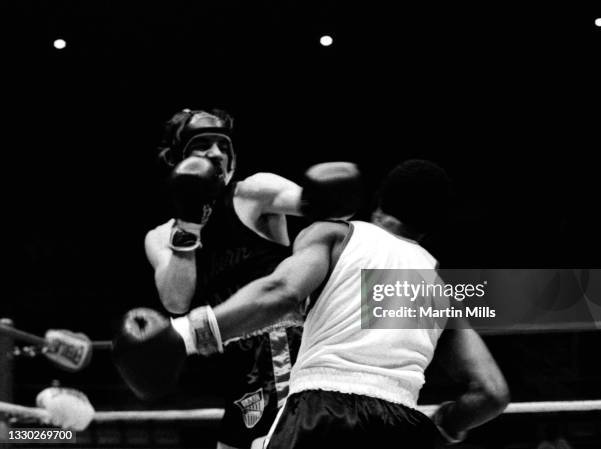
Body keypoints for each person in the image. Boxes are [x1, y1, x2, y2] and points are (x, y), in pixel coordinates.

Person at [120, 159, 508, 448]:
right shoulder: (437, 288)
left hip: (322, 413)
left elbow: (281, 292)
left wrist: (185, 334)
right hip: (404, 426)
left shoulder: (337, 236)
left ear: (379, 200)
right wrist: (445, 424)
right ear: (431, 226)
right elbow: (491, 393)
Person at [144, 108, 361, 449]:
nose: (216, 153)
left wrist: (327, 200)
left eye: (223, 145)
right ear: (176, 157)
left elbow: (322, 206)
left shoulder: (253, 193)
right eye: (203, 145)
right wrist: (189, 225)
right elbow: (175, 301)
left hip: (282, 352)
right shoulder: (160, 236)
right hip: (233, 367)